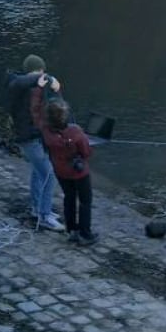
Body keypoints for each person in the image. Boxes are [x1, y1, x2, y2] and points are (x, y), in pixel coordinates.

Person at [6, 54, 65, 231]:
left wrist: (54, 88)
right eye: (40, 72)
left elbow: (51, 108)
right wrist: (46, 79)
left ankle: (37, 208)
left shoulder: (31, 87)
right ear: (37, 71)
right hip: (28, 138)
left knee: (38, 173)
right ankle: (45, 215)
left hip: (36, 137)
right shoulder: (18, 84)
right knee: (48, 174)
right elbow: (22, 84)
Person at [41, 99, 98, 246]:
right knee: (85, 202)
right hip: (79, 173)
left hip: (60, 171)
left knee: (69, 198)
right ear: (65, 116)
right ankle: (86, 234)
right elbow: (86, 152)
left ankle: (72, 231)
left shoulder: (45, 130)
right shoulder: (76, 131)